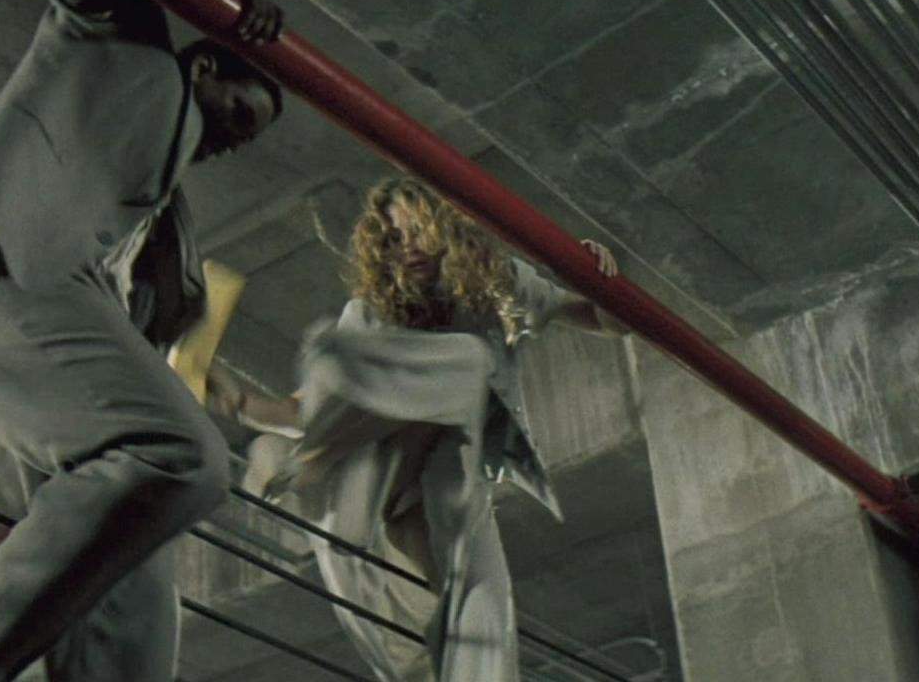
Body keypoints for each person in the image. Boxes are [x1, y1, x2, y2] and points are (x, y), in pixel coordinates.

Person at [0, 0, 286, 682]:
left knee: (132, 577)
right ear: (204, 68)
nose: (233, 139)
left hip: (40, 343)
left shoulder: (167, 232)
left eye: (247, 138)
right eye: (239, 114)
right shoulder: (122, 47)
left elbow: (156, 344)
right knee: (184, 457)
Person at [210, 178, 626, 682]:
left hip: (450, 481)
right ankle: (313, 464)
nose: (408, 248)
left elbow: (605, 320)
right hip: (381, 464)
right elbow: (303, 410)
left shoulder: (499, 284)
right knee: (463, 362)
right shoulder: (370, 313)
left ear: (445, 231)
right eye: (394, 240)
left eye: (417, 232)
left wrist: (597, 279)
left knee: (484, 620)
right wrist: (241, 405)